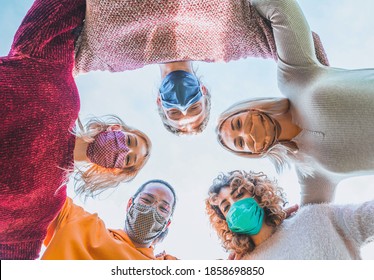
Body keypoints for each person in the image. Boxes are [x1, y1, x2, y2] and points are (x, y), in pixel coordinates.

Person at [0, 0, 150, 260]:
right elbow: (52, 15)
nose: (124, 148)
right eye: (130, 141)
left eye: (128, 159)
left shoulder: (46, 205)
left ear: (113, 170)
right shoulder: (62, 90)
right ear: (114, 128)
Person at [73, 0, 329, 135]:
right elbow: (305, 47)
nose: (183, 105)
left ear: (161, 102)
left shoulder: (110, 57)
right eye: (194, 107)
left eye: (175, 113)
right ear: (204, 91)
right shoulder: (230, 42)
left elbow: (44, 67)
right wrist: (315, 117)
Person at [216, 0, 374, 205]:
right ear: (253, 153)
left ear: (248, 109)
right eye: (240, 142)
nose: (246, 133)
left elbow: (281, 8)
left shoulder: (294, 79)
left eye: (237, 124)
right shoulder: (310, 174)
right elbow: (314, 221)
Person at [206, 170, 374, 260]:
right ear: (226, 222)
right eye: (226, 206)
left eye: (239, 194)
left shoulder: (314, 217)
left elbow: (367, 217)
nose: (236, 206)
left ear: (257, 195)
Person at [41, 179, 177, 260]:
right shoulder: (83, 225)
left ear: (167, 224)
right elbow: (45, 187)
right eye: (146, 200)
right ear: (130, 204)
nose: (152, 210)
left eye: (163, 209)